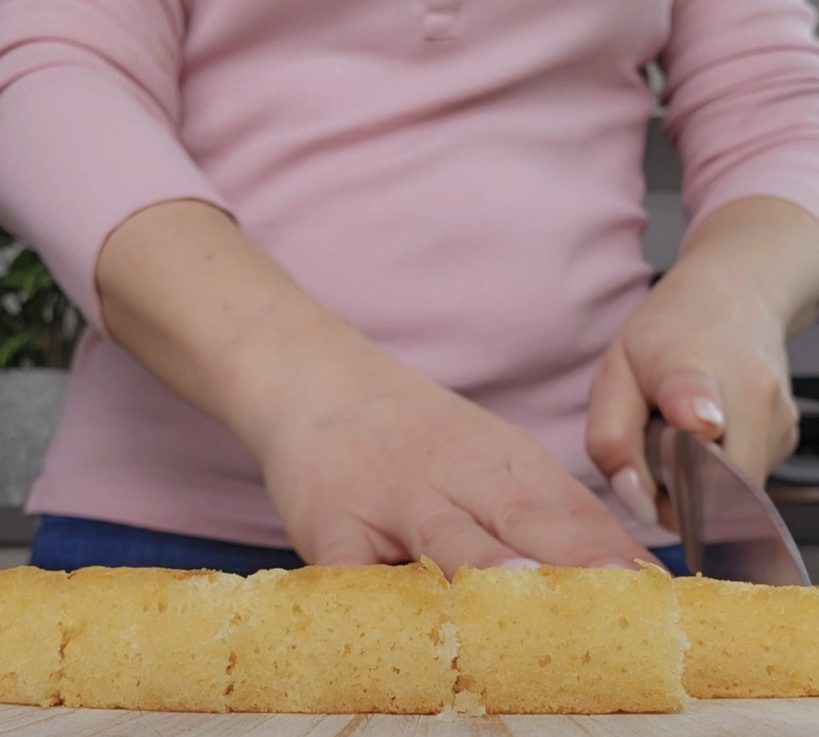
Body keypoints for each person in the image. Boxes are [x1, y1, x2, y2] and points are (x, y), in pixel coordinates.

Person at [1, 0, 818, 579]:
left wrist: (734, 292)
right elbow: (48, 71)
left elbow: (773, 109)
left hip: (593, 538)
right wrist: (312, 391)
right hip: (164, 543)